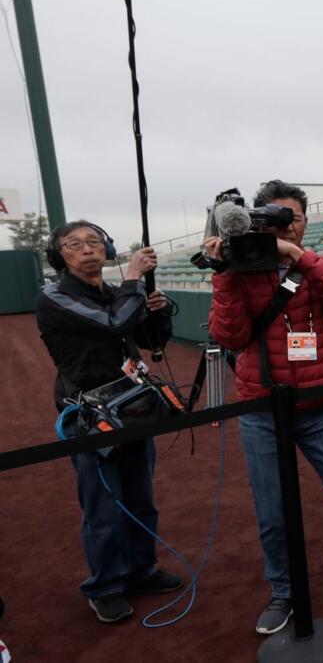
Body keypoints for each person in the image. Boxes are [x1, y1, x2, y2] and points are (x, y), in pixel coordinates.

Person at [203, 180, 323, 635]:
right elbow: (229, 336)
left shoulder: (312, 264)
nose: (283, 225)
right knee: (272, 512)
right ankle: (283, 592)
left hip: (319, 406)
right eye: (272, 217)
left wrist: (298, 256)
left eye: (290, 217)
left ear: (305, 222)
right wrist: (225, 271)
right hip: (260, 410)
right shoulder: (240, 266)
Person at [35, 222, 181, 623]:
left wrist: (158, 312)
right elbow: (112, 323)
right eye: (74, 244)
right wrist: (134, 278)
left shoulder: (119, 294)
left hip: (132, 406)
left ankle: (141, 569)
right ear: (58, 256)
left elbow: (152, 341)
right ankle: (105, 585)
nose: (87, 249)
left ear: (107, 248)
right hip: (88, 416)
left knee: (140, 497)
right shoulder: (54, 296)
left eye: (95, 242)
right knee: (103, 507)